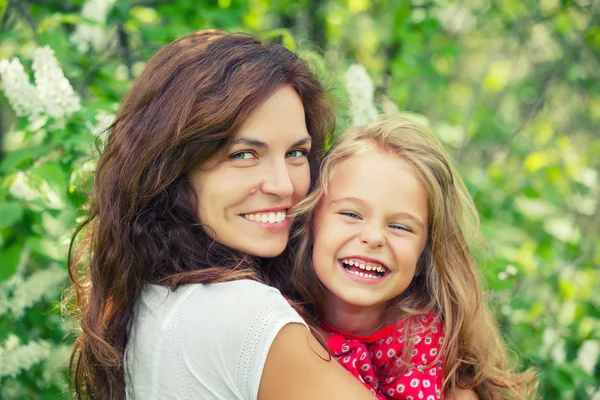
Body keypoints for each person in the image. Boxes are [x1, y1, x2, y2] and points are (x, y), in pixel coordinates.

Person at [66, 30, 378, 400]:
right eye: (244, 154)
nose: (283, 185)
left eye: (296, 152)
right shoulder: (245, 314)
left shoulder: (153, 297)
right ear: (174, 167)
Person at [288, 118, 538, 399]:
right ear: (311, 223)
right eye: (351, 214)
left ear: (423, 257)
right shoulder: (275, 311)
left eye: (400, 227)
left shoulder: (422, 346)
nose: (373, 237)